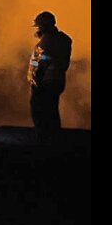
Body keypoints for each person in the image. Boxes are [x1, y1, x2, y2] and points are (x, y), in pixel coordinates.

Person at [28, 11, 72, 145]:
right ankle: (54, 139)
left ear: (44, 26)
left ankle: (43, 139)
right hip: (58, 79)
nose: (38, 29)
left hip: (44, 81)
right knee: (52, 109)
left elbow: (39, 63)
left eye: (39, 26)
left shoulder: (46, 42)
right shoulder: (64, 39)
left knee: (39, 110)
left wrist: (34, 74)